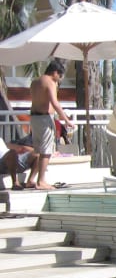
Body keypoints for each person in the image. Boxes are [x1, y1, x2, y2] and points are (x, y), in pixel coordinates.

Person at [29, 60, 75, 191]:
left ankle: (31, 180)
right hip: (44, 119)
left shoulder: (35, 81)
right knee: (46, 151)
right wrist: (66, 119)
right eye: (59, 76)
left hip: (34, 118)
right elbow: (54, 102)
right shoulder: (50, 82)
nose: (59, 79)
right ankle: (41, 181)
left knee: (39, 151)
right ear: (55, 72)